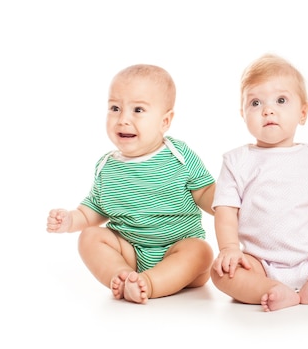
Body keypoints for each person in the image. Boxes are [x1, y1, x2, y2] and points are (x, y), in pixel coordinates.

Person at [46, 64, 216, 304]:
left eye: (138, 109)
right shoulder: (107, 165)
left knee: (201, 251)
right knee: (90, 237)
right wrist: (71, 220)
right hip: (131, 253)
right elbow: (93, 209)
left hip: (176, 249)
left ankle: (150, 283)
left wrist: (227, 202)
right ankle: (121, 275)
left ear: (165, 121)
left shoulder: (178, 154)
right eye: (115, 108)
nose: (123, 119)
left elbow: (205, 192)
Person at [211, 53, 308, 312]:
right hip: (258, 262)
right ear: (243, 113)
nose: (268, 110)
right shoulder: (237, 160)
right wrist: (229, 249)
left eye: (281, 100)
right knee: (221, 272)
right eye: (255, 102)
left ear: (303, 112)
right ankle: (270, 289)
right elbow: (226, 210)